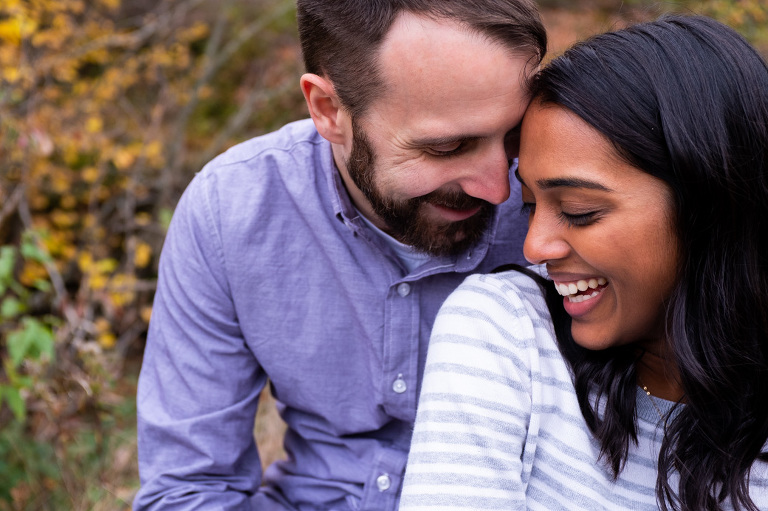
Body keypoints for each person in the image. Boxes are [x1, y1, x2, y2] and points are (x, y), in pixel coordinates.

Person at [133, 1, 546, 509]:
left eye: (512, 138)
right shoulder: (231, 212)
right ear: (329, 110)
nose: (498, 189)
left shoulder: (569, 203)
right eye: (446, 147)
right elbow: (191, 488)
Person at [400, 14, 768, 511]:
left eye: (579, 211)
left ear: (711, 204)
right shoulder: (508, 330)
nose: (534, 248)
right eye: (529, 207)